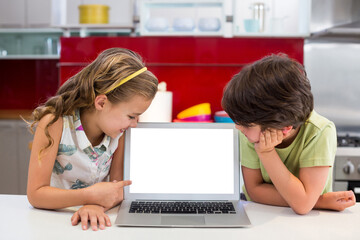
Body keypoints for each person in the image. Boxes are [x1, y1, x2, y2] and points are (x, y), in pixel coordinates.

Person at [26, 48, 158, 230]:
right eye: (131, 116)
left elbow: (118, 188)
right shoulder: (54, 123)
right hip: (52, 222)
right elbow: (36, 194)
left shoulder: (119, 133)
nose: (134, 124)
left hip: (94, 221)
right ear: (101, 103)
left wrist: (94, 205)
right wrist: (89, 196)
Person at [222, 54, 356, 215]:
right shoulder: (250, 131)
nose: (238, 127)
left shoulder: (319, 132)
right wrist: (318, 201)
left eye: (246, 124)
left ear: (284, 127)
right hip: (260, 214)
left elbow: (302, 205)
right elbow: (254, 191)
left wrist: (266, 152)